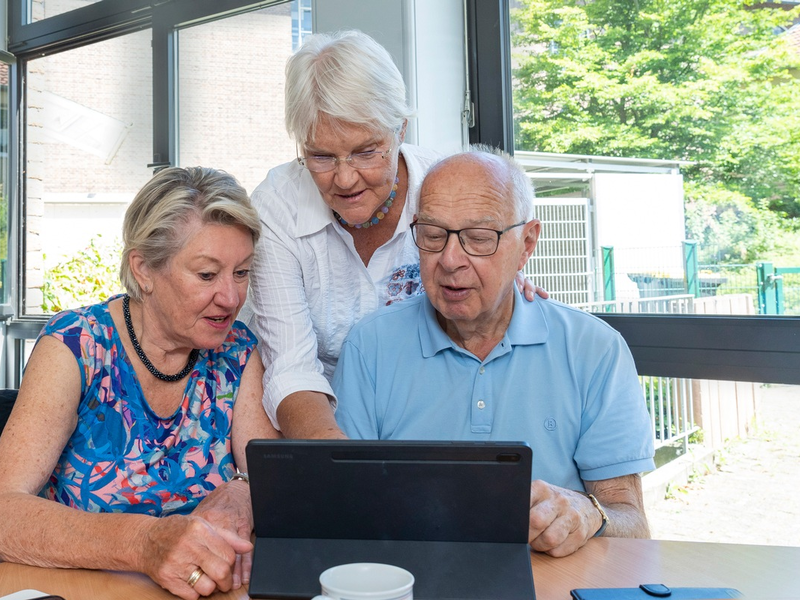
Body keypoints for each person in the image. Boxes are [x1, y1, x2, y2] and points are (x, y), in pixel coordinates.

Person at [332, 148, 655, 558]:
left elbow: (633, 522)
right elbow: (343, 512)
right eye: (432, 235)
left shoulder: (595, 349)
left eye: (479, 239)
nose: (450, 261)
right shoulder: (370, 347)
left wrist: (591, 512)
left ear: (527, 244)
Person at [244, 30, 544, 439]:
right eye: (321, 156)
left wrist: (504, 280)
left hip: (426, 409)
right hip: (314, 423)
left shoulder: (447, 183)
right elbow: (292, 369)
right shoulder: (278, 205)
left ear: (400, 129)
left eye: (367, 152)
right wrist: (346, 468)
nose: (345, 179)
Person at [0, 167, 280, 600]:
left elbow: (274, 480)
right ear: (144, 268)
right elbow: (3, 513)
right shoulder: (76, 346)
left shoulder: (238, 352)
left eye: (241, 273)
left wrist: (243, 491)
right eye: (207, 275)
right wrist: (143, 543)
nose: (230, 298)